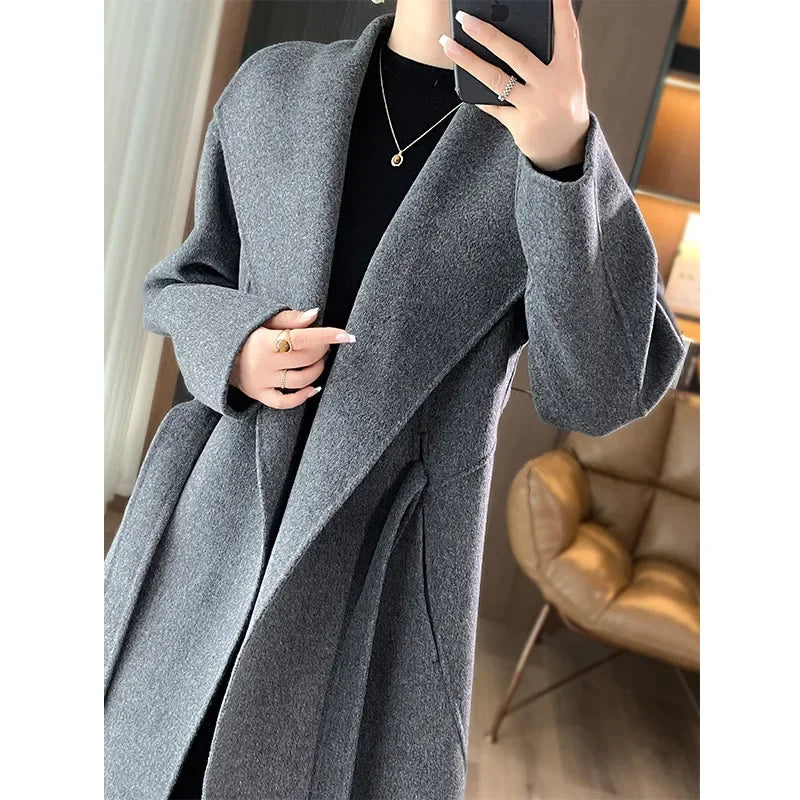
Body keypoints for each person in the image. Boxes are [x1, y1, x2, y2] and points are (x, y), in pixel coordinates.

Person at [105, 2, 687, 798]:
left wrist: (563, 160)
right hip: (211, 526)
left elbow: (599, 392)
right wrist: (237, 346)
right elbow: (183, 281)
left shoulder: (549, 149)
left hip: (378, 577)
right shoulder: (273, 90)